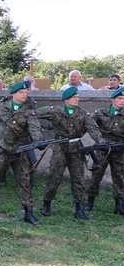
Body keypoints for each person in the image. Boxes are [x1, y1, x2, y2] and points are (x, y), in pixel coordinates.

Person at [0, 81, 43, 225]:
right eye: (21, 92)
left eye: (26, 92)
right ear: (13, 94)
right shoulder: (0, 107)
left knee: (24, 181)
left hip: (20, 152)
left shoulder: (28, 112)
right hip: (3, 150)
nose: (24, 95)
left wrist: (39, 141)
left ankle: (29, 213)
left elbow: (34, 128)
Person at [37, 87, 103, 219]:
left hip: (76, 148)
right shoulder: (55, 111)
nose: (77, 99)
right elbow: (34, 114)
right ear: (66, 99)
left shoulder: (83, 113)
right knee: (55, 177)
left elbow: (93, 128)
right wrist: (38, 132)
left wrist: (100, 141)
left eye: (78, 97)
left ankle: (79, 209)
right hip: (59, 146)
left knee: (78, 179)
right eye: (74, 97)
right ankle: (46, 204)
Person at [85, 87, 124, 214]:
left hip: (120, 149)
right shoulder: (102, 112)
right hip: (103, 148)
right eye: (119, 98)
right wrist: (99, 140)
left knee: (120, 176)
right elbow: (90, 125)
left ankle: (119, 204)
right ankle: (90, 201)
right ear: (112, 99)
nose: (122, 101)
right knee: (96, 174)